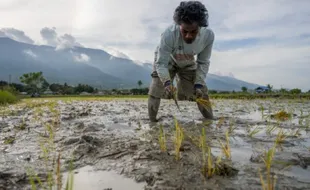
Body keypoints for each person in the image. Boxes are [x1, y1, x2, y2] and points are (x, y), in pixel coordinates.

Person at [148, 1, 215, 122]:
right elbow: (161, 63)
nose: (188, 36)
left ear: (200, 27)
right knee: (156, 89)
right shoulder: (168, 34)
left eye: (193, 31)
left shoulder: (208, 36)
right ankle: (152, 121)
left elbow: (203, 62)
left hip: (187, 60)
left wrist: (198, 83)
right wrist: (167, 83)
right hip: (167, 60)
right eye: (185, 31)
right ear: (179, 26)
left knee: (201, 92)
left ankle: (210, 120)